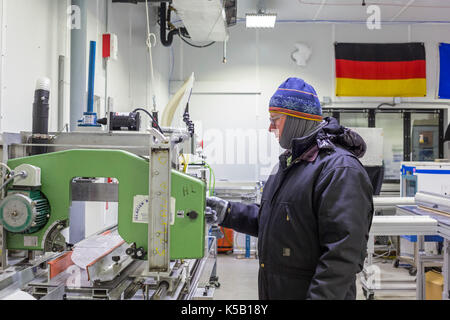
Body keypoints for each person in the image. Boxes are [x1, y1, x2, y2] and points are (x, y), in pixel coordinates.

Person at [206, 78, 374, 300]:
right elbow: (274, 220)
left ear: (297, 119)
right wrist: (227, 212)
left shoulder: (339, 170)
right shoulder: (291, 163)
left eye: (275, 120)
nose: (270, 128)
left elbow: (341, 257)